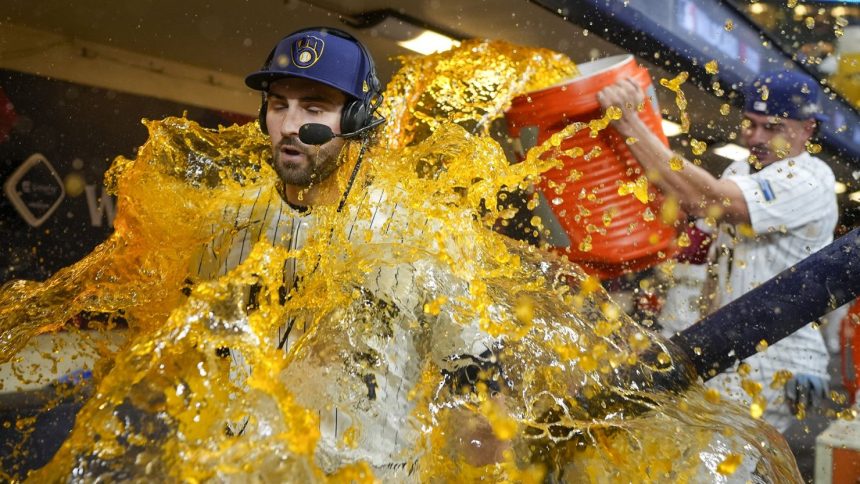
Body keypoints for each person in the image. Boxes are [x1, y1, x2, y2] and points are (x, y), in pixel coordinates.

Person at [191, 27, 505, 477]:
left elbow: (481, 390)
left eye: (314, 107)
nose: (290, 126)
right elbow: (194, 351)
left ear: (359, 121)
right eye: (279, 105)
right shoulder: (225, 221)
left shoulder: (423, 232)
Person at [596, 69, 837, 433]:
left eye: (772, 127)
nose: (754, 137)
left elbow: (712, 200)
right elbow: (691, 206)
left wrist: (631, 123)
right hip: (733, 345)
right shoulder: (742, 169)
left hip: (777, 355)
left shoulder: (808, 178)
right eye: (749, 124)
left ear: (808, 129)